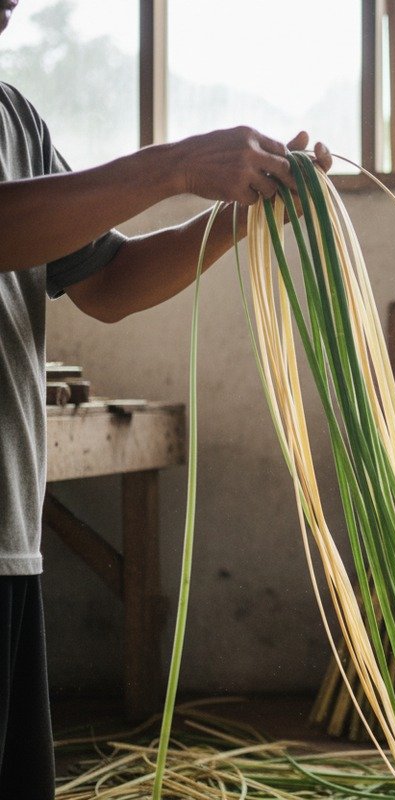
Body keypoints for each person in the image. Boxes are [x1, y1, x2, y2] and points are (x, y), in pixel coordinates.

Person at [0, 1, 333, 794]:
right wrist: (172, 165)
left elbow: (105, 283)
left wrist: (238, 216)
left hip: (7, 535)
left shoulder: (12, 116)